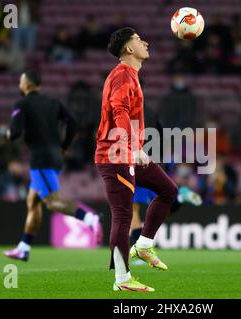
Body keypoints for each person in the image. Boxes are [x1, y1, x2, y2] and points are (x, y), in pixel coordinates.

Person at [95, 27, 178, 292]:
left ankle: (142, 246)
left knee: (168, 190)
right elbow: (119, 109)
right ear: (129, 48)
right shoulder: (121, 74)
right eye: (138, 39)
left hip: (127, 153)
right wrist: (132, 144)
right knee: (122, 216)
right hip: (116, 154)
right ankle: (121, 279)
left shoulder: (130, 75)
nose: (145, 41)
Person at [3, 70, 102, 262]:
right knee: (33, 201)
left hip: (41, 159)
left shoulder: (22, 104)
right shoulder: (53, 103)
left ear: (27, 85)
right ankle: (24, 247)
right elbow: (72, 124)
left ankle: (90, 218)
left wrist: (7, 134)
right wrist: (64, 146)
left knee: (52, 202)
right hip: (55, 156)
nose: (19, 84)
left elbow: (14, 133)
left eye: (21, 81)